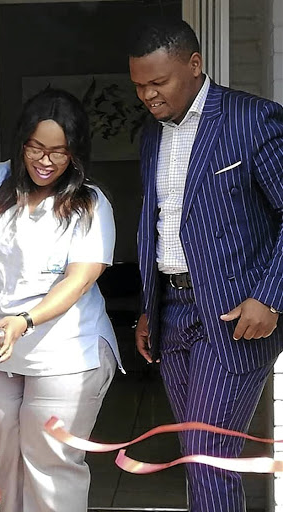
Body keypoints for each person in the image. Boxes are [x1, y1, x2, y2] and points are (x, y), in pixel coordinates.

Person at [129, 17, 283, 512]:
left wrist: (271, 298)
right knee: (198, 455)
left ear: (194, 65)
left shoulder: (252, 119)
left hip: (234, 316)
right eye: (139, 87)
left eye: (158, 83)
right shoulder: (150, 136)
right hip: (172, 312)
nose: (149, 97)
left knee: (207, 456)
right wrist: (150, 306)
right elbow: (160, 224)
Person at [0, 88, 123, 512]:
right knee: (9, 456)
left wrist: (23, 320)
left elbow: (79, 279)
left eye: (59, 152)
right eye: (36, 148)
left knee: (50, 464)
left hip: (65, 351)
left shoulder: (92, 204)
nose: (45, 161)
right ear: (22, 142)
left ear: (76, 153)